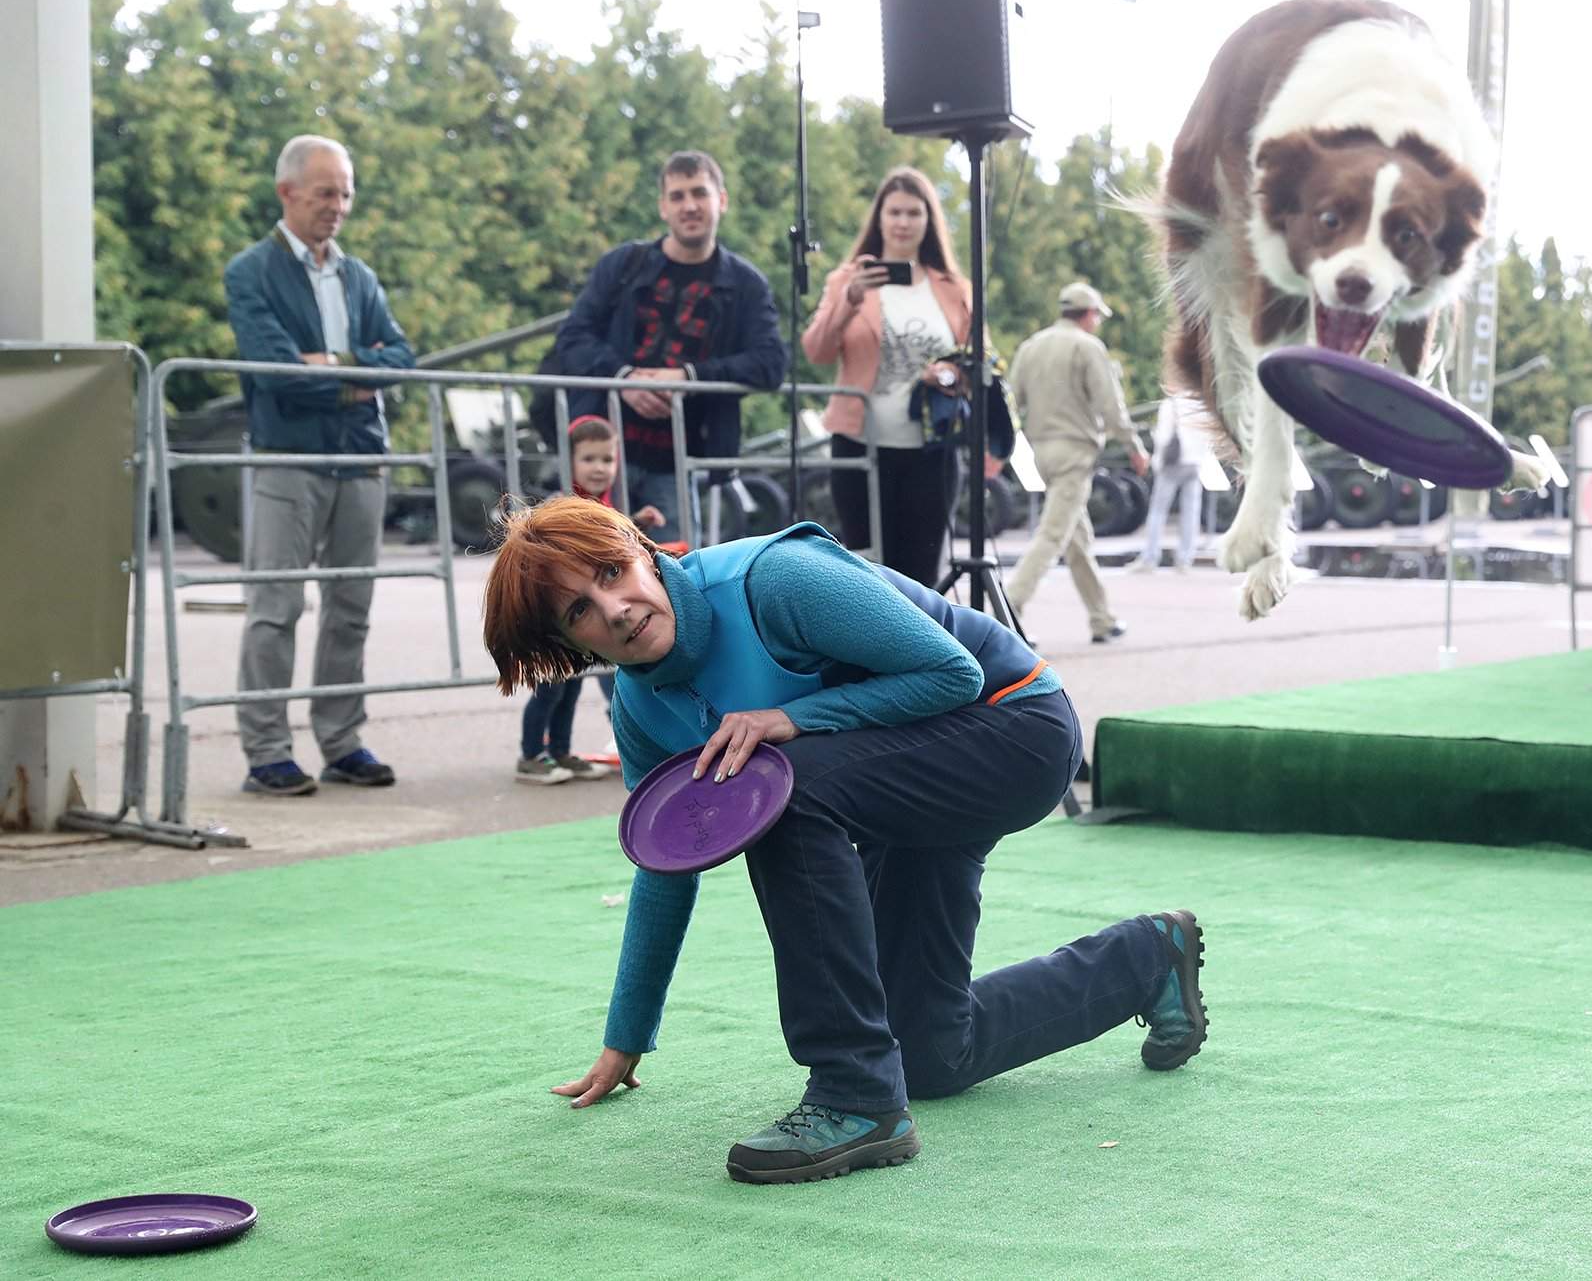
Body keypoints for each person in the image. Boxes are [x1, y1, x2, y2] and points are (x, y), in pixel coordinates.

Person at [480, 496, 1209, 1185]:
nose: (616, 608)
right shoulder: (642, 708)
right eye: (582, 609)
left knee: (774, 787)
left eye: (612, 572)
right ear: (568, 643)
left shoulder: (773, 580)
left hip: (1011, 726)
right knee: (930, 1051)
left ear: (642, 550)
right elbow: (669, 861)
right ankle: (1148, 955)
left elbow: (954, 671)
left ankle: (854, 1091)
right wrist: (627, 1032)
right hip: (892, 782)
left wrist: (793, 719)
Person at [223, 134, 413, 796]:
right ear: (288, 193)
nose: (338, 205)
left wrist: (331, 366)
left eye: (346, 193)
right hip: (287, 456)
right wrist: (360, 369)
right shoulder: (251, 272)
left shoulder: (359, 276)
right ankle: (267, 750)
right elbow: (275, 373)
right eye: (326, 192)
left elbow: (403, 360)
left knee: (350, 606)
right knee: (275, 604)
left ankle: (341, 740)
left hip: (359, 455)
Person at [548, 150, 787, 547]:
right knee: (583, 570)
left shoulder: (747, 284)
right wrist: (624, 380)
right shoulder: (623, 265)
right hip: (598, 453)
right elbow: (572, 338)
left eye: (699, 193)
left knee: (674, 580)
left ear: (721, 200)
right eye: (677, 196)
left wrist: (688, 377)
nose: (689, 205)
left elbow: (771, 363)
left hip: (680, 460)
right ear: (663, 207)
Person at [801, 166, 972, 589]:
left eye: (913, 213)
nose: (902, 222)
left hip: (933, 448)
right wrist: (849, 301)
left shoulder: (953, 286)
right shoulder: (846, 279)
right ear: (878, 219)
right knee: (868, 570)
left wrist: (949, 374)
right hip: (861, 445)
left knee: (922, 573)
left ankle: (922, 655)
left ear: (929, 221)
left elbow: (976, 361)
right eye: (893, 212)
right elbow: (816, 351)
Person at [514, 416, 665, 785]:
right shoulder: (559, 506)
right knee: (549, 691)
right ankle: (531, 755)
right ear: (569, 462)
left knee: (572, 688)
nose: (599, 468)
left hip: (582, 618)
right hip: (557, 620)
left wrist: (633, 522)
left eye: (607, 460)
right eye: (589, 459)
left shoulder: (603, 504)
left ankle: (562, 751)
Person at [1003, 281, 1150, 642]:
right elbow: (1109, 404)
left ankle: (1102, 619)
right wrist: (1134, 445)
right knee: (1053, 535)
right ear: (1088, 314)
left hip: (1041, 451)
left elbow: (1011, 401)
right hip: (1074, 452)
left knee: (1076, 538)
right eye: (1098, 315)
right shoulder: (1088, 347)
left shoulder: (1031, 346)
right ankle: (1007, 610)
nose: (1098, 322)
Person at [1131, 393, 1215, 573]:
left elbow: (1162, 436)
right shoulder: (1202, 405)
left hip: (1172, 463)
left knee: (1158, 511)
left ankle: (1150, 557)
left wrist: (1157, 463)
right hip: (1195, 463)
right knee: (1191, 511)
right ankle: (1185, 559)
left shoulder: (1171, 405)